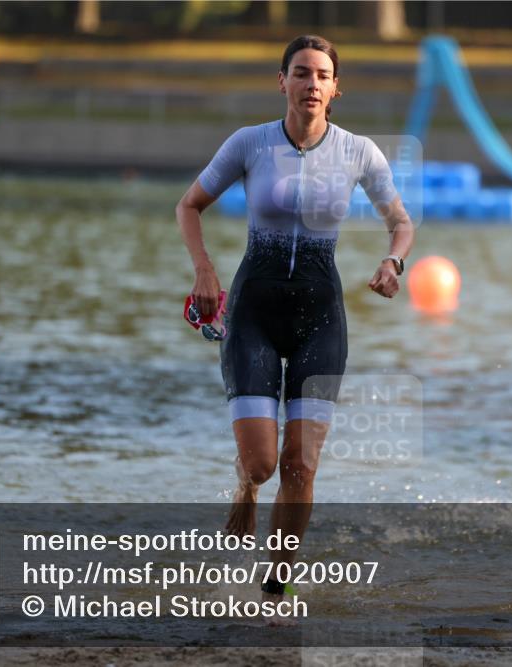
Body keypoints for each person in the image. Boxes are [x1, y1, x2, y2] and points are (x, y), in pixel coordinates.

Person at [175, 35, 415, 608]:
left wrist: (393, 261)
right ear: (281, 81)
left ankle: (276, 587)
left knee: (301, 465)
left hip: (320, 318)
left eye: (322, 75)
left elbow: (401, 223)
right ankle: (245, 486)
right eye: (301, 73)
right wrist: (204, 270)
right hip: (253, 313)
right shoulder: (250, 143)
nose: (311, 84)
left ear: (335, 89)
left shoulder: (359, 152)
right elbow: (189, 205)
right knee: (263, 464)